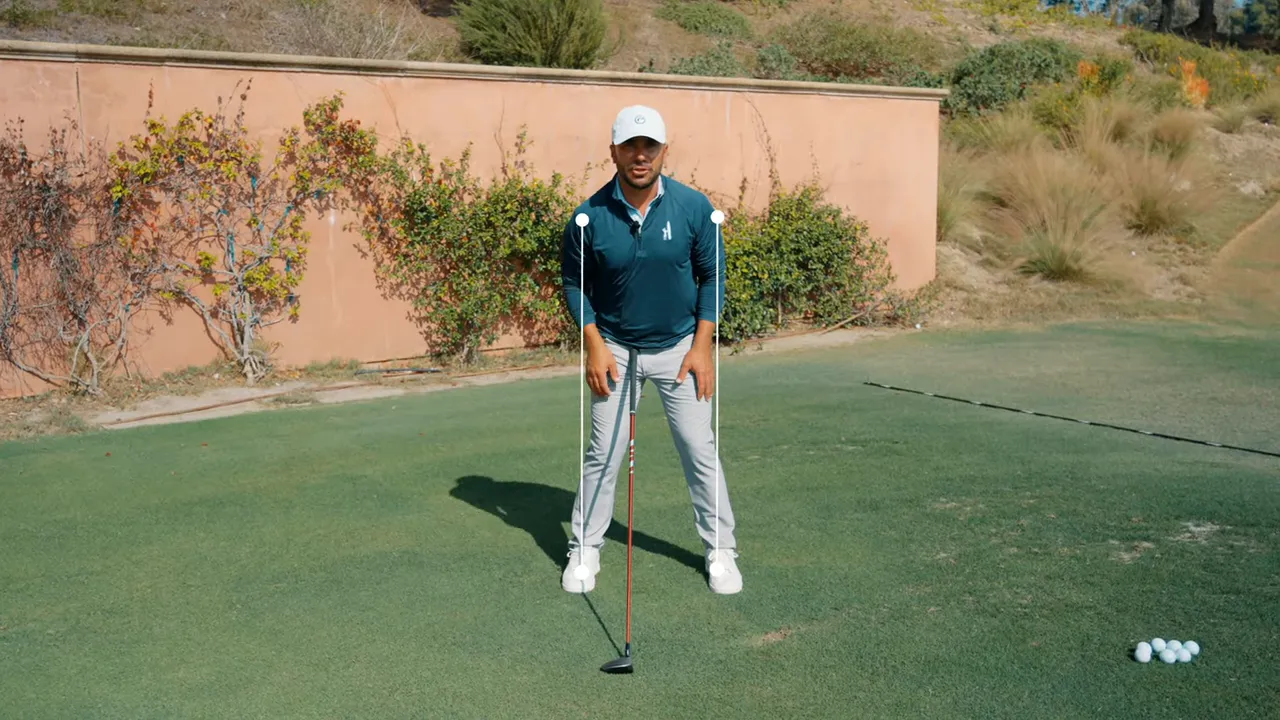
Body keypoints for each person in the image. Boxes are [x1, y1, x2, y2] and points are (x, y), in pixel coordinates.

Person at [559, 104, 741, 596]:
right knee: (604, 453)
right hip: (616, 350)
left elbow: (713, 277)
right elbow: (574, 284)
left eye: (650, 147)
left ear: (664, 151)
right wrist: (594, 345)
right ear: (613, 151)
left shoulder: (694, 208)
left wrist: (702, 347)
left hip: (680, 348)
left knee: (699, 450)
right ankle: (585, 546)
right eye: (630, 146)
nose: (640, 156)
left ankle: (721, 550)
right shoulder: (588, 216)